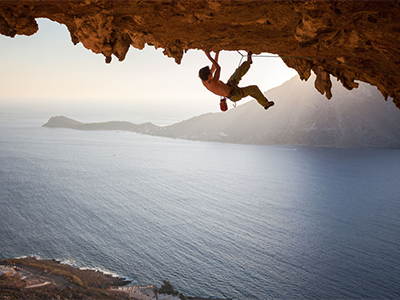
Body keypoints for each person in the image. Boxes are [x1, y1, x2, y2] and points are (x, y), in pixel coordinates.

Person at [199, 50, 274, 110]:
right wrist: (209, 56)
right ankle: (265, 104)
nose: (211, 72)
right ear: (209, 76)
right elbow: (218, 68)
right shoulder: (213, 82)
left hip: (230, 85)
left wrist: (217, 53)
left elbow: (214, 67)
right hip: (235, 94)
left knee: (238, 72)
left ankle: (248, 62)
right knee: (254, 89)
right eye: (210, 73)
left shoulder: (204, 80)